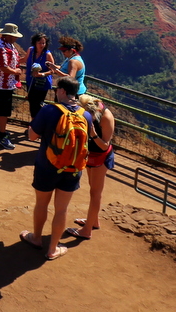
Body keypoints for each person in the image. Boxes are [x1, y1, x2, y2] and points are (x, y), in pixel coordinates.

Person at [20, 77, 92, 261]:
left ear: (61, 91)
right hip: (73, 169)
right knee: (61, 209)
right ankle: (53, 249)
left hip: (47, 165)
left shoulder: (50, 110)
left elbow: (32, 136)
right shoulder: (86, 115)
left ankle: (36, 238)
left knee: (42, 204)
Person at [69, 93, 115, 240]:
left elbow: (105, 145)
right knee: (92, 189)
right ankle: (93, 221)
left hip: (101, 157)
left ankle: (87, 230)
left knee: (96, 193)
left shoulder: (106, 117)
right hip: (90, 155)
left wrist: (93, 134)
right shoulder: (90, 114)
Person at [0, 23, 25, 149]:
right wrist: (16, 72)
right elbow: (4, 67)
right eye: (14, 36)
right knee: (3, 110)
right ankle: (2, 136)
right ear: (8, 35)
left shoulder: (5, 45)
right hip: (2, 84)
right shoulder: (2, 48)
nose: (16, 38)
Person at [25, 33, 56, 124]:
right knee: (32, 103)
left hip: (42, 84)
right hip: (30, 82)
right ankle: (34, 124)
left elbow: (52, 70)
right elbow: (25, 59)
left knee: (38, 104)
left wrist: (41, 74)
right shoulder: (31, 50)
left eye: (44, 43)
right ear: (35, 42)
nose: (42, 45)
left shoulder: (47, 54)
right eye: (40, 42)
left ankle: (36, 126)